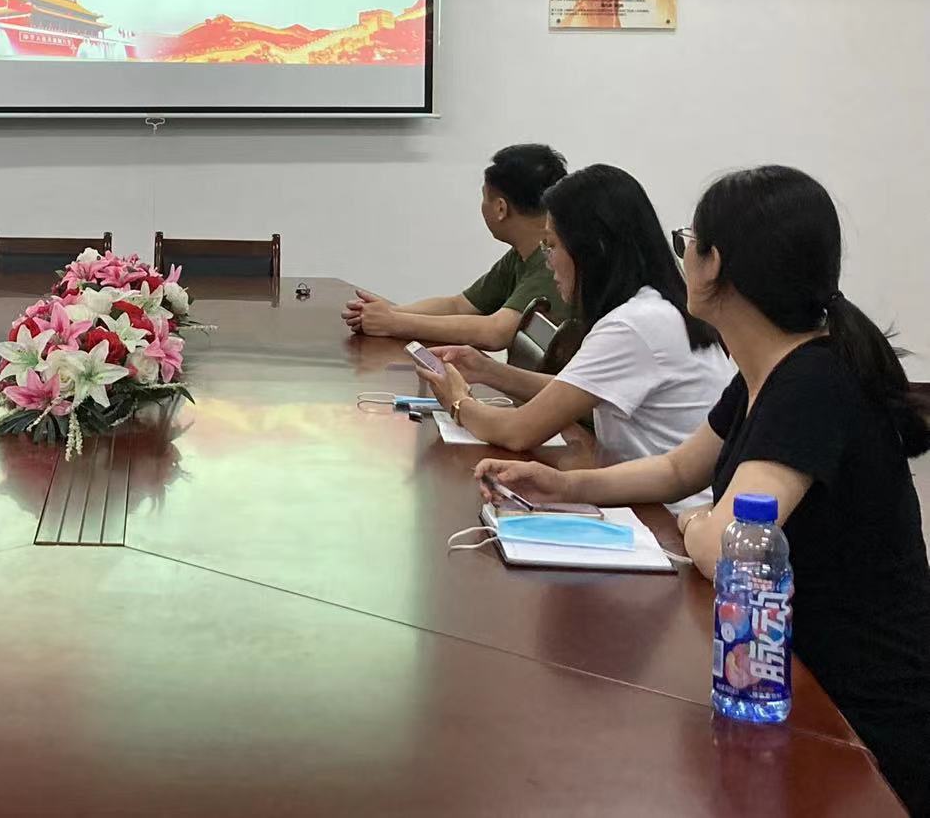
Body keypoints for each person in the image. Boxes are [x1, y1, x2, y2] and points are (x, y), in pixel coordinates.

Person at [474, 166, 930, 815]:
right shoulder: (765, 371)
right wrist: (564, 483)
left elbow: (731, 546)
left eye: (688, 240)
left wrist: (695, 524)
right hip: (781, 671)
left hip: (855, 715)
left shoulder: (813, 382)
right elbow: (676, 470)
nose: (681, 254)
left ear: (718, 265)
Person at [414, 164, 733, 478]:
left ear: (593, 249)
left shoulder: (633, 325)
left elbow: (518, 432)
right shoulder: (654, 308)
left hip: (662, 507)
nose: (548, 262)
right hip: (648, 492)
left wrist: (458, 402)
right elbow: (575, 389)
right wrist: (487, 370)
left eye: (551, 246)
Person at [344, 144, 572, 348]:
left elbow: (495, 332)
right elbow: (460, 305)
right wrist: (386, 313)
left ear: (501, 209)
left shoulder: (554, 261)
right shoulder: (522, 254)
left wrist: (394, 322)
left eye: (484, 197)